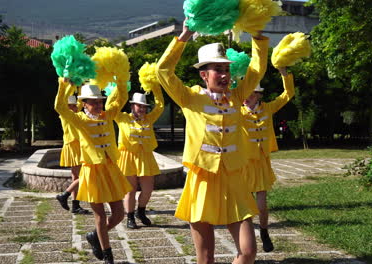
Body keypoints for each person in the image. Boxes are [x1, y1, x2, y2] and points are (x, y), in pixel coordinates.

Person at [156, 19, 269, 264]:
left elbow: (257, 69)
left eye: (226, 69)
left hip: (234, 179)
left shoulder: (237, 96)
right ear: (204, 74)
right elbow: (163, 71)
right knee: (206, 258)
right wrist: (184, 35)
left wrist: (258, 38)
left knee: (248, 252)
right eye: (218, 69)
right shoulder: (189, 97)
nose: (225, 74)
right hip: (202, 180)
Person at [54, 78, 133, 264]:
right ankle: (108, 256)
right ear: (84, 104)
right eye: (94, 102)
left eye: (100, 101)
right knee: (100, 215)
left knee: (119, 214)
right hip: (92, 171)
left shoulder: (108, 115)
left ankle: (95, 236)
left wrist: (121, 77)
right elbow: (59, 107)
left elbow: (121, 98)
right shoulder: (78, 120)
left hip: (111, 169)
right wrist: (64, 84)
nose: (99, 105)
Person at [241, 68, 295, 252]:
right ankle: (245, 243)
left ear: (258, 94)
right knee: (244, 208)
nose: (246, 97)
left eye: (250, 93)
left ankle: (264, 231)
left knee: (262, 206)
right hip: (243, 164)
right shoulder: (237, 112)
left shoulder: (268, 108)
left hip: (262, 163)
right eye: (244, 92)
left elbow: (288, 94)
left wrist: (284, 74)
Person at [114, 85, 164, 229]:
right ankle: (130, 217)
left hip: (145, 156)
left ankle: (140, 211)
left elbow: (160, 106)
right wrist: (119, 88)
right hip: (128, 157)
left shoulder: (149, 119)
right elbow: (111, 106)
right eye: (139, 106)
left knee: (148, 189)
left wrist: (154, 86)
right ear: (132, 106)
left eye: (144, 107)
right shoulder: (122, 118)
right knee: (130, 190)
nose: (142, 109)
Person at [56, 95, 90, 215]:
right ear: (68, 107)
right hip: (73, 146)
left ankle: (75, 205)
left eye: (76, 105)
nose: (77, 107)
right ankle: (65, 195)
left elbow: (81, 104)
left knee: (76, 177)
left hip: (75, 146)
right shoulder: (65, 114)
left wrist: (82, 87)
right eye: (74, 105)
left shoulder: (73, 114)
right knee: (85, 175)